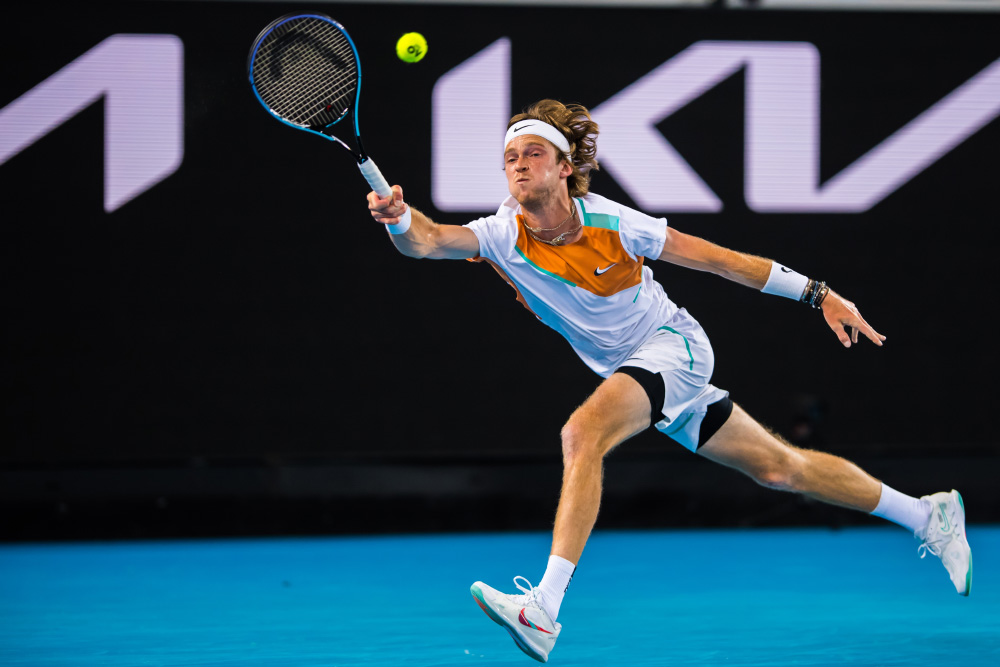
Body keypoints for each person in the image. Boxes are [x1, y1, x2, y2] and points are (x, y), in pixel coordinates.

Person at [366, 99, 972, 663]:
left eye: (532, 154)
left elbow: (719, 260)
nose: (518, 166)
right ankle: (926, 515)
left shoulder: (614, 222)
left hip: (674, 350)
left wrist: (818, 294)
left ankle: (543, 608)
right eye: (509, 158)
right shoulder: (501, 235)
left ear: (565, 167)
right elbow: (428, 241)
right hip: (634, 373)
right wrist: (397, 221)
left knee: (583, 434)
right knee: (782, 469)